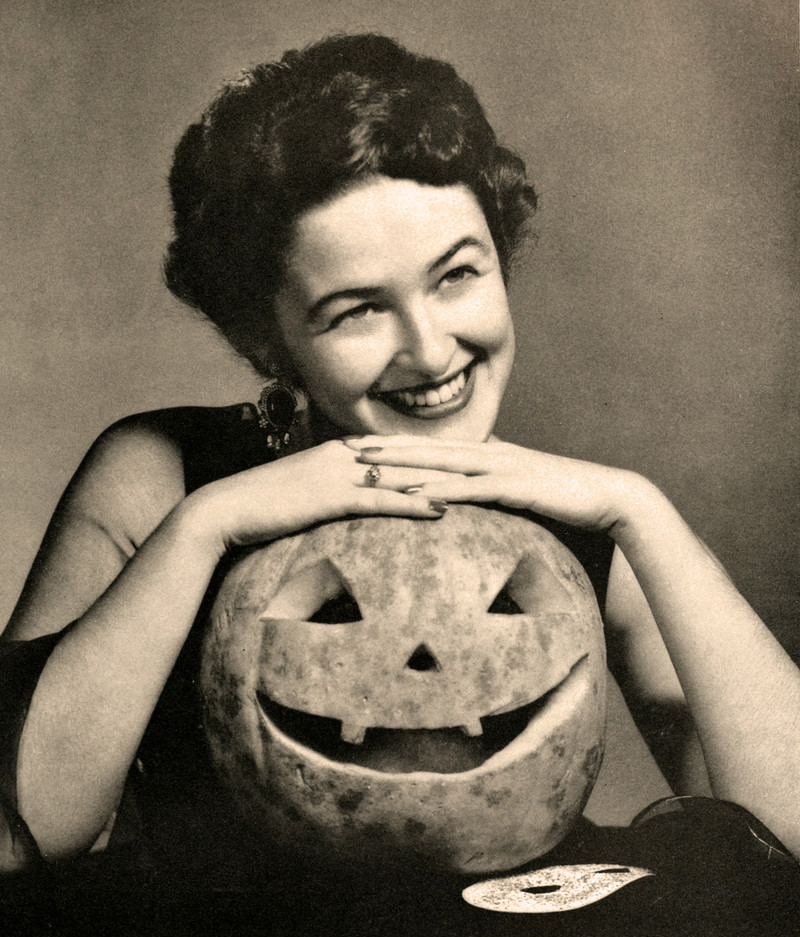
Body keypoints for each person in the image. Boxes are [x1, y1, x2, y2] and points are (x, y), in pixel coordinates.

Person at [0, 33, 798, 874]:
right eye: (357, 311)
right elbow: (19, 837)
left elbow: (787, 829)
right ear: (266, 339)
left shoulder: (586, 521)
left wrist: (642, 511)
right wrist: (207, 525)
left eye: (457, 276)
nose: (429, 349)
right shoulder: (160, 474)